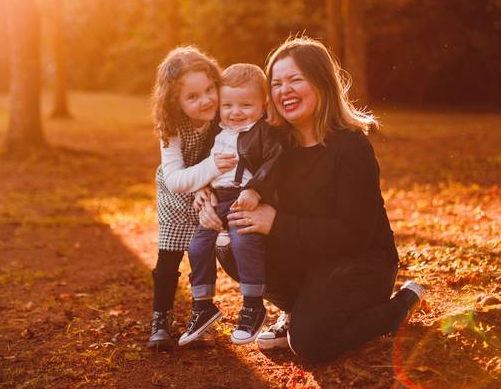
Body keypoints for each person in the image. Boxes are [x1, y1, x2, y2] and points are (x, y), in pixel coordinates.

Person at [196, 36, 423, 362]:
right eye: (276, 84)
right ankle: (295, 309)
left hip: (362, 264)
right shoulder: (275, 144)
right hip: (310, 258)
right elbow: (227, 174)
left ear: (321, 82)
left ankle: (398, 308)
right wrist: (204, 195)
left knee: (309, 343)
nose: (284, 90)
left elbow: (354, 236)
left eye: (295, 79)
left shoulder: (350, 148)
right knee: (229, 243)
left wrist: (276, 222)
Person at [164, 64, 282, 346]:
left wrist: (255, 190)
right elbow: (203, 164)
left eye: (246, 105)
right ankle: (203, 305)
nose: (235, 112)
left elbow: (274, 163)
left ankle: (253, 306)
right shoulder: (218, 131)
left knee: (244, 243)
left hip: (245, 198)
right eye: (228, 105)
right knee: (197, 246)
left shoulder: (264, 132)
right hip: (219, 198)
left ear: (263, 105)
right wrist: (202, 188)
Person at [148, 46, 237, 350]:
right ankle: (161, 317)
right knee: (169, 255)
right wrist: (207, 173)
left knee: (203, 251)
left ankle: (202, 313)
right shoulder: (172, 127)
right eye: (193, 97)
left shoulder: (225, 116)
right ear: (175, 102)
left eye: (210, 89)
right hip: (175, 195)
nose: (206, 100)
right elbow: (175, 179)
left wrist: (207, 187)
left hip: (210, 190)